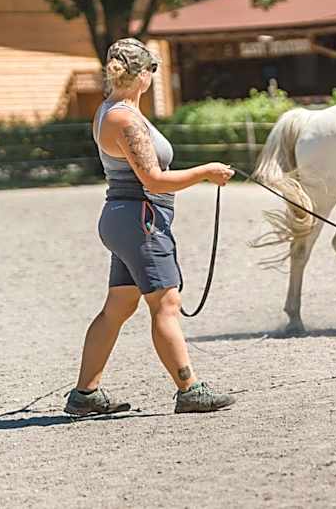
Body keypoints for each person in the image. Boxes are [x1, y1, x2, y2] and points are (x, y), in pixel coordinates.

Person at [64, 38, 236, 416]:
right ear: (142, 75)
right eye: (152, 70)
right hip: (140, 219)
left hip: (125, 218)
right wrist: (206, 172)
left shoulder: (115, 110)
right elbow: (154, 180)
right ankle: (189, 389)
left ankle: (85, 394)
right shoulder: (124, 118)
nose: (153, 77)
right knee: (166, 304)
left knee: (118, 306)